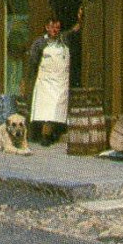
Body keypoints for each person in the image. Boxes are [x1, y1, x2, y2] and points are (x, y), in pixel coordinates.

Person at [24, 13, 74, 146]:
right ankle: (45, 136)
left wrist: (80, 17)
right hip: (45, 82)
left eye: (57, 28)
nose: (55, 30)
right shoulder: (40, 43)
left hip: (60, 81)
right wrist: (27, 80)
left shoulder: (64, 40)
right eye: (52, 27)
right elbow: (32, 62)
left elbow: (75, 30)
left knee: (57, 109)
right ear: (46, 27)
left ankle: (52, 134)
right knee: (46, 110)